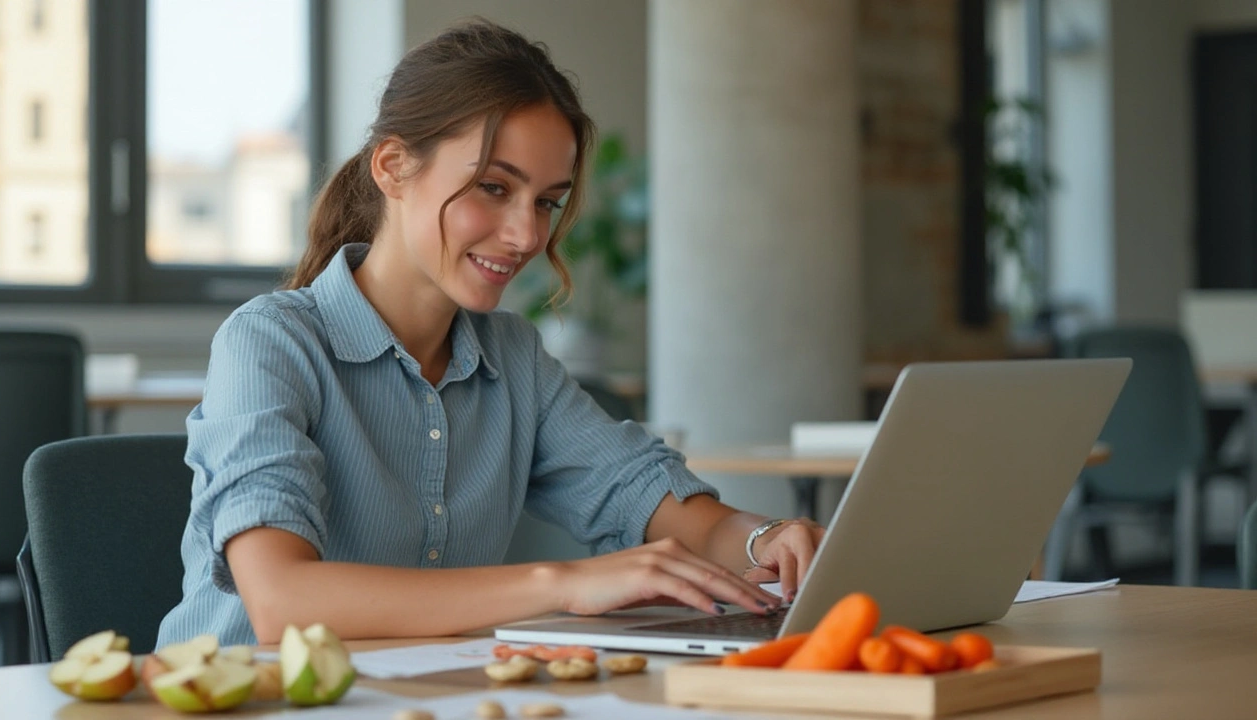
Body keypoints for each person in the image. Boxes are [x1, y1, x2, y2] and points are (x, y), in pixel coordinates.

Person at [157, 19, 824, 647]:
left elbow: (643, 493)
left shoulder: (512, 357)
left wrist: (763, 539)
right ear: (391, 167)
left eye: (545, 201)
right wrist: (561, 582)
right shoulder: (269, 342)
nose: (528, 235)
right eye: (494, 188)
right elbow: (283, 603)